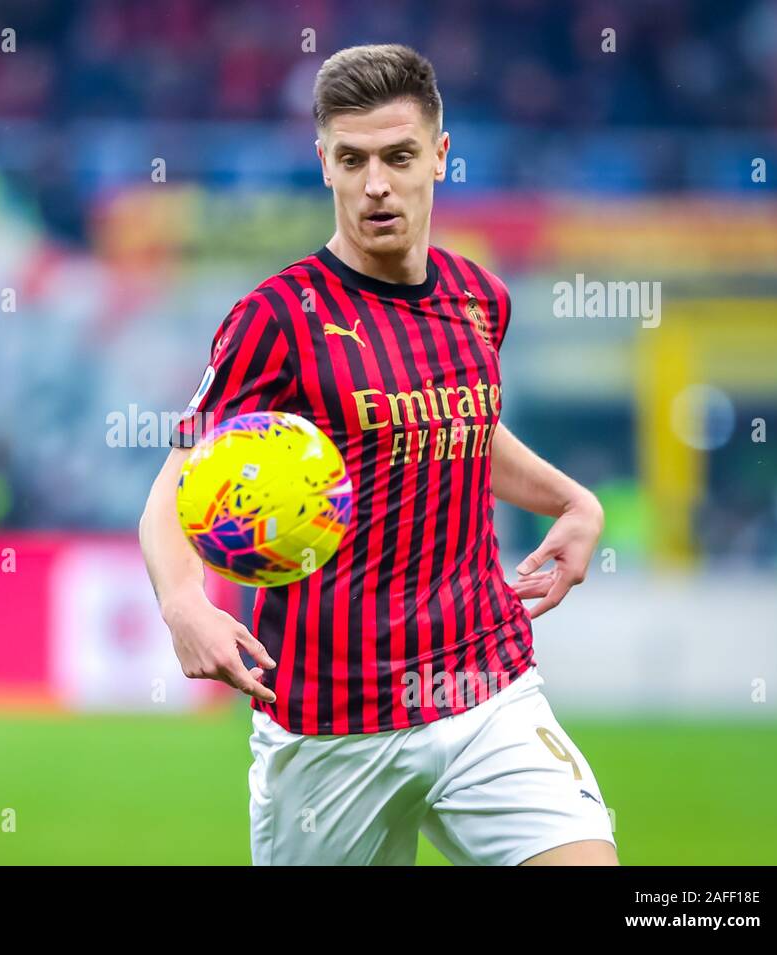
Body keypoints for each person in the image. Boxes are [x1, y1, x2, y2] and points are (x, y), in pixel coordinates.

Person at [138, 44, 617, 866]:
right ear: (323, 162)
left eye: (398, 156)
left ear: (439, 154)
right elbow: (173, 492)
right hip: (331, 726)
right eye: (352, 160)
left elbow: (458, 430)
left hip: (484, 688)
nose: (376, 184)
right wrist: (186, 605)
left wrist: (576, 501)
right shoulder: (276, 318)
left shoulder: (480, 299)